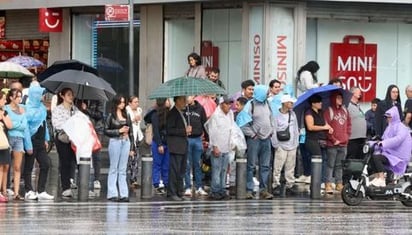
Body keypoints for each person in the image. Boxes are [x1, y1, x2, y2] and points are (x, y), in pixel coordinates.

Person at [240, 85, 274, 200]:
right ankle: (249, 190)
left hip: (266, 139)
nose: (268, 94)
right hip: (254, 140)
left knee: (265, 166)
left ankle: (264, 190)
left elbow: (271, 118)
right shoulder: (250, 105)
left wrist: (271, 131)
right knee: (251, 166)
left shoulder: (268, 104)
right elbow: (243, 123)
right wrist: (252, 134)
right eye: (266, 92)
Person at [23, 83, 54, 200]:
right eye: (41, 94)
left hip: (41, 141)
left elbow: (44, 124)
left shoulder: (42, 108)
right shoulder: (27, 109)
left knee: (45, 164)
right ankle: (28, 190)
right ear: (35, 95)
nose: (43, 96)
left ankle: (41, 190)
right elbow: (25, 128)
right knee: (29, 166)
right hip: (31, 140)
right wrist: (28, 145)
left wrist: (46, 139)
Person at [369, 106, 412, 187]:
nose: (388, 119)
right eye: (387, 117)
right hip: (390, 154)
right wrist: (372, 143)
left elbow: (398, 139)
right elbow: (383, 139)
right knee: (372, 156)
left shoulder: (401, 127)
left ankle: (382, 179)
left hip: (398, 157)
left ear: (394, 116)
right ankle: (378, 177)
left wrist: (383, 143)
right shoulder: (389, 127)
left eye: (389, 117)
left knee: (377, 157)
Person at [104, 94, 135, 202]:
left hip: (125, 141)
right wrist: (118, 131)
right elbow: (106, 130)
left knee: (122, 169)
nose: (122, 104)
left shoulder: (126, 115)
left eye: (123, 102)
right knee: (114, 167)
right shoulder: (111, 116)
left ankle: (124, 193)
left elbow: (131, 132)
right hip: (115, 141)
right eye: (121, 102)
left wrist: (132, 147)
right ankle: (112, 193)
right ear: (116, 103)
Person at [5, 88, 32, 200]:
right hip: (8, 137)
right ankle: (4, 190)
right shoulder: (5, 108)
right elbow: (8, 125)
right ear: (11, 98)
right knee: (5, 166)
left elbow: (24, 125)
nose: (20, 99)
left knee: (17, 167)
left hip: (19, 139)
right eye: (17, 97)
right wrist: (17, 124)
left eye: (21, 96)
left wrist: (14, 123)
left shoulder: (23, 109)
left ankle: (16, 193)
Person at [204, 96, 234, 200]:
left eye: (230, 103)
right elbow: (212, 132)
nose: (229, 106)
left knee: (224, 170)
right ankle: (215, 190)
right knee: (216, 170)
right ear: (221, 104)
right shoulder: (215, 116)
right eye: (226, 103)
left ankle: (222, 190)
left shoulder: (230, 114)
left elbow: (232, 129)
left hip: (226, 146)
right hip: (218, 146)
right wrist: (215, 146)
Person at [271, 94, 299, 196]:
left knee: (291, 166)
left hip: (292, 144)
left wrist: (296, 142)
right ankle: (276, 184)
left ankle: (290, 184)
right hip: (281, 145)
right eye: (289, 102)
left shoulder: (293, 114)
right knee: (278, 166)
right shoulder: (276, 116)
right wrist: (276, 145)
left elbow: (295, 128)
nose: (291, 104)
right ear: (284, 103)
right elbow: (273, 130)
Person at [52, 88, 78, 198]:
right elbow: (56, 124)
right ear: (62, 96)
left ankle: (75, 183)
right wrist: (68, 125)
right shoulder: (58, 109)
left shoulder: (75, 109)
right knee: (65, 162)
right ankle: (65, 187)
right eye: (68, 95)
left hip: (74, 138)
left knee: (76, 162)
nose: (71, 97)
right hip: (63, 138)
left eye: (72, 95)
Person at [323, 92, 351, 194]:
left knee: (340, 165)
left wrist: (346, 137)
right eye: (338, 98)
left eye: (341, 98)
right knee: (330, 165)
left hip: (343, 143)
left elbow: (349, 125)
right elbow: (326, 127)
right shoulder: (328, 111)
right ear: (333, 98)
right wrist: (333, 139)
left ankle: (339, 183)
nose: (340, 100)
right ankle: (328, 184)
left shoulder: (345, 110)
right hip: (332, 144)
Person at [304, 94, 333, 188]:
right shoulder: (309, 112)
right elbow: (310, 127)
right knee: (317, 160)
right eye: (318, 102)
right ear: (313, 103)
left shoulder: (321, 112)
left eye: (321, 101)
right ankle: (315, 183)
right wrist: (323, 127)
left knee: (324, 160)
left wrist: (328, 127)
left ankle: (322, 181)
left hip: (322, 139)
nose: (320, 103)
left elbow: (325, 123)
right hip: (312, 140)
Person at [166, 96, 190, 201]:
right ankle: (172, 192)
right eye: (183, 100)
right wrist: (184, 131)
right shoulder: (172, 113)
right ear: (178, 101)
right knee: (174, 170)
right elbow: (170, 130)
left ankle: (179, 191)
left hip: (183, 145)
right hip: (175, 146)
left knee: (181, 170)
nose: (185, 103)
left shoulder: (182, 113)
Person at [77, 99, 104, 190]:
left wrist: (86, 109)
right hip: (83, 128)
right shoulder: (81, 99)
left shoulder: (98, 99)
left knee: (97, 155)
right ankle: (82, 177)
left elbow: (100, 115)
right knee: (82, 154)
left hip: (96, 129)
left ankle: (97, 179)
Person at [183, 96, 208, 197]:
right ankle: (188, 186)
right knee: (187, 164)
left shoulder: (200, 108)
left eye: (189, 96)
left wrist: (207, 137)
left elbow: (204, 123)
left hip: (198, 138)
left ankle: (199, 186)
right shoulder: (184, 109)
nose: (187, 98)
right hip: (187, 138)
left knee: (197, 164)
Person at [148, 98, 170, 195]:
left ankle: (166, 182)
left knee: (166, 165)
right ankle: (156, 183)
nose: (169, 102)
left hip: (167, 142)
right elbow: (156, 131)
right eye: (168, 100)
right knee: (157, 164)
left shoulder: (169, 114)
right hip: (158, 142)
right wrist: (159, 144)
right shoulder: (155, 114)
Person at [126, 96, 143, 187]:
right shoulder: (127, 111)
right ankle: (130, 178)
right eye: (135, 102)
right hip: (129, 136)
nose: (137, 103)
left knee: (136, 158)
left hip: (137, 136)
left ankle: (134, 178)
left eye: (137, 101)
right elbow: (126, 123)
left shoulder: (139, 110)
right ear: (130, 103)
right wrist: (133, 120)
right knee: (130, 159)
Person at [346, 86, 367, 160]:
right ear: (352, 93)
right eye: (358, 91)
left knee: (360, 159)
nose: (360, 93)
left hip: (361, 138)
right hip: (352, 139)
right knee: (351, 159)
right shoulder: (347, 105)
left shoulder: (358, 106)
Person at [0, 91, 12, 202]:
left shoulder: (4, 112)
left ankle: (4, 190)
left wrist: (3, 116)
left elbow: (10, 125)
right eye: (3, 99)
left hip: (4, 142)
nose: (5, 101)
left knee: (5, 166)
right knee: (0, 167)